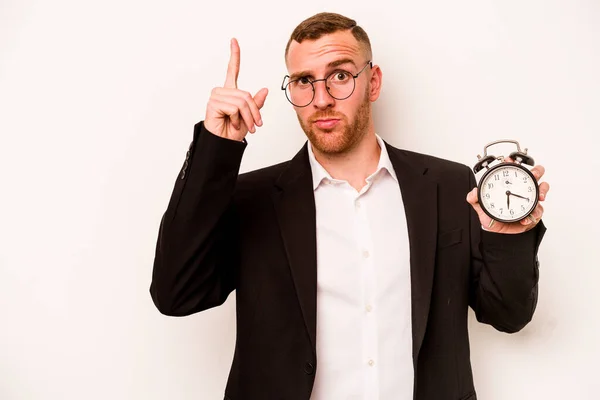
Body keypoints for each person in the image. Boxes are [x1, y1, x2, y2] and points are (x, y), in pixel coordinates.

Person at [150, 12, 549, 400]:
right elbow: (176, 294)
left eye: (340, 75)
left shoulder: (448, 185)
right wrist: (215, 147)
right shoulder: (252, 198)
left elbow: (509, 315)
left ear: (372, 82)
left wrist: (508, 238)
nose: (321, 98)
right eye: (305, 81)